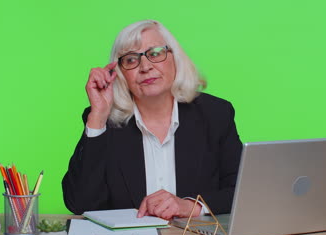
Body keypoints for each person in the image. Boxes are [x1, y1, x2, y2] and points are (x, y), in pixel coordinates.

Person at [62, 20, 242, 220]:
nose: (145, 67)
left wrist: (192, 206)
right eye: (131, 60)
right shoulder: (105, 121)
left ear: (175, 58)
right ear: (119, 73)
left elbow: (242, 191)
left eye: (155, 53)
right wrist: (98, 118)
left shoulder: (215, 114)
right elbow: (80, 203)